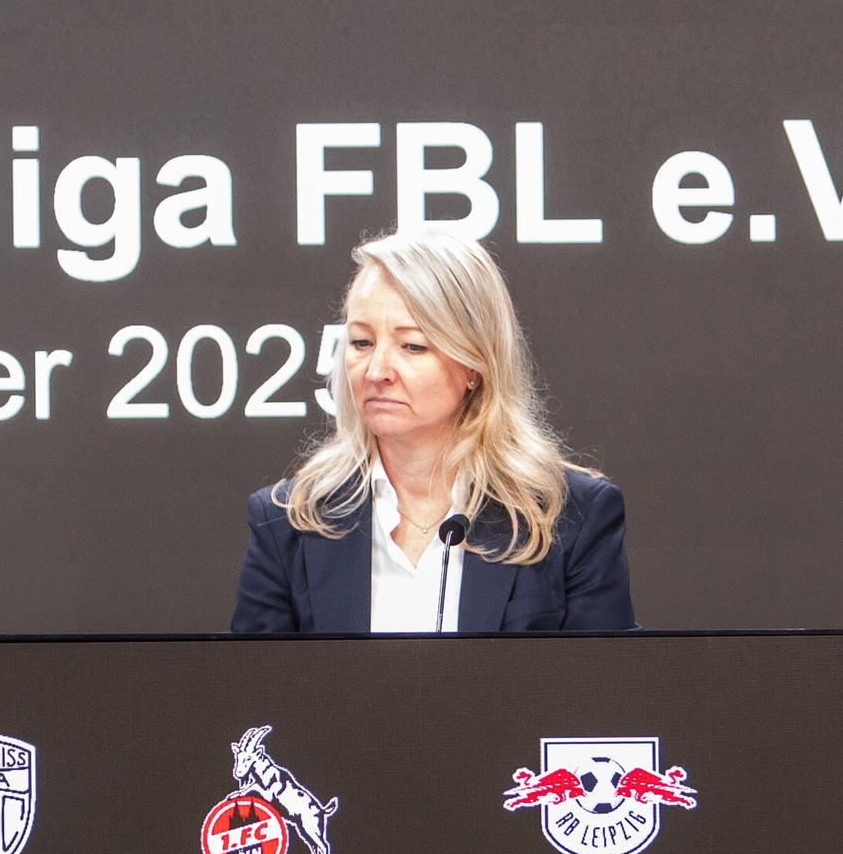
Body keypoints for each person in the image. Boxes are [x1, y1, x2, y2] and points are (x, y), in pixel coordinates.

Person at [230, 227, 633, 635]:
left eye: (413, 346)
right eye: (361, 342)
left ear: (475, 364)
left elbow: (607, 691)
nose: (376, 372)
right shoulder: (288, 521)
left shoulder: (570, 516)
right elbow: (255, 692)